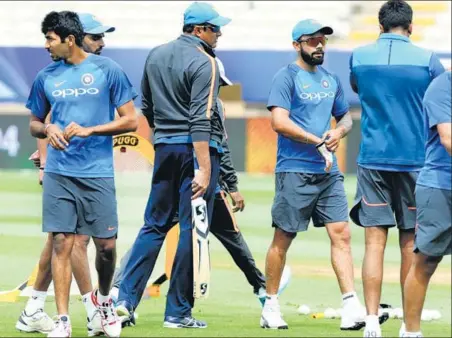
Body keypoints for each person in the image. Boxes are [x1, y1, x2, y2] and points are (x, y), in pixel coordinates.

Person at [111, 57, 291, 327]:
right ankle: (256, 289)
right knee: (224, 238)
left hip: (176, 167)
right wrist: (230, 185)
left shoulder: (176, 97)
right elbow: (219, 146)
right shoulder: (212, 106)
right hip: (204, 182)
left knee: (153, 230)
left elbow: (149, 110)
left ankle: (122, 293)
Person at [115, 2, 230, 329]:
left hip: (165, 146)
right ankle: (178, 312)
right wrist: (204, 168)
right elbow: (201, 120)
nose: (219, 34)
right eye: (215, 28)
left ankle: (125, 300)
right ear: (198, 30)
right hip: (195, 150)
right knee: (192, 230)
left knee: (153, 224)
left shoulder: (155, 54)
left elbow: (147, 107)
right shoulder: (206, 62)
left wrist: (164, 138)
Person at [27, 10, 138, 337]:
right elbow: (34, 121)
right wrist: (47, 128)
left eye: (50, 38)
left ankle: (103, 303)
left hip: (97, 173)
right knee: (61, 240)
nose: (46, 45)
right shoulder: (46, 76)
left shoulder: (108, 71)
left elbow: (130, 120)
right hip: (60, 173)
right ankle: (63, 321)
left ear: (69, 39)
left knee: (105, 247)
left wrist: (91, 130)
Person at [348, 1, 445, 336]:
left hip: (372, 157)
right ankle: (408, 321)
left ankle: (372, 320)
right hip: (416, 161)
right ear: (411, 26)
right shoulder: (428, 60)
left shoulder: (359, 57)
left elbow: (358, 89)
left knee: (374, 243)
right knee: (410, 244)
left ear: (380, 26)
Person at [261, 19, 364, 330]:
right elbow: (278, 121)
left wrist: (338, 132)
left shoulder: (331, 79)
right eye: (311, 41)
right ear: (297, 45)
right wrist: (316, 139)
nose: (319, 45)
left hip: (327, 171)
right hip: (294, 169)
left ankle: (350, 306)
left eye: (322, 40)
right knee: (283, 237)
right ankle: (271, 305)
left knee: (342, 234)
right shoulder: (286, 77)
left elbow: (345, 117)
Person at [401, 71, 451, 338]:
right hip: (441, 185)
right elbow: (448, 138)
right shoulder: (442, 88)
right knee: (426, 261)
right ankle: (411, 332)